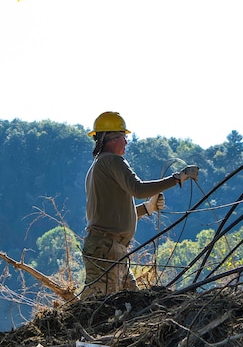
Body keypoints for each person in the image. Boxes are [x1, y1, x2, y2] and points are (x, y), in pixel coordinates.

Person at [81, 111, 198, 298]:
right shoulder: (112, 160)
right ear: (110, 138)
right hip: (106, 249)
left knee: (133, 304)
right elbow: (138, 189)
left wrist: (147, 208)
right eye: (123, 137)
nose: (126, 142)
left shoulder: (98, 166)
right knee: (100, 310)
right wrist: (177, 178)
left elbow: (112, 215)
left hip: (110, 248)